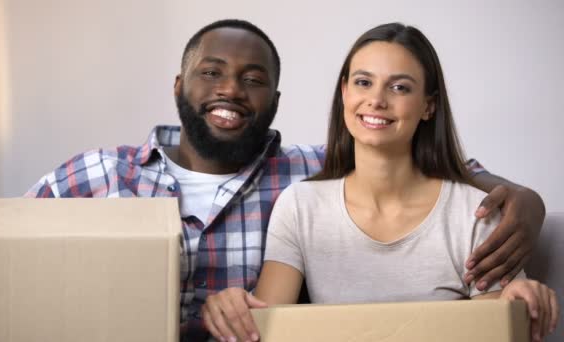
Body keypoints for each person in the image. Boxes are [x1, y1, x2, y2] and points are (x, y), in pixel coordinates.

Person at [0, 20, 548, 341]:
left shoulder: (300, 174)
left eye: (253, 79)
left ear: (276, 99)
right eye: (211, 72)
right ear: (178, 85)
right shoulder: (99, 174)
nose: (231, 90)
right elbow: (6, 246)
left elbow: (439, 169)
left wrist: (525, 198)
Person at [202, 23, 558, 342]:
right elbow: (265, 326)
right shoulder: (300, 206)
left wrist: (517, 304)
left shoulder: (473, 212)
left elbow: (494, 329)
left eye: (400, 87)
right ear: (345, 92)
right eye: (363, 82)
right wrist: (234, 307)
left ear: (428, 106)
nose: (376, 100)